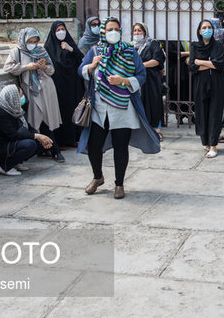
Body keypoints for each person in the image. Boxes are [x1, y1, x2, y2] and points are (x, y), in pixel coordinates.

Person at [77, 17, 160, 198]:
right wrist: (91, 66)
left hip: (123, 108)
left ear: (120, 31)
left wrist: (124, 80)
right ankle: (97, 177)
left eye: (116, 29)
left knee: (120, 146)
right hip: (99, 109)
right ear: (103, 32)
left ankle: (119, 184)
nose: (113, 32)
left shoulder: (130, 51)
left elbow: (141, 75)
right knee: (94, 145)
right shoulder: (95, 51)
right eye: (109, 29)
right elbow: (80, 70)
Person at [4, 28, 64, 163]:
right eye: (29, 41)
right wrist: (26, 67)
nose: (32, 44)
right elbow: (8, 68)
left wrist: (44, 67)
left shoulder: (41, 50)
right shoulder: (17, 52)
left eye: (35, 41)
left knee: (48, 118)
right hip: (30, 88)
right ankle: (45, 148)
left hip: (46, 87)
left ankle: (54, 149)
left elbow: (51, 70)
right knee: (35, 119)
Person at [0, 85, 55, 175]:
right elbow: (12, 135)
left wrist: (42, 137)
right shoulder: (1, 114)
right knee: (30, 144)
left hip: (12, 144)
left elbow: (28, 128)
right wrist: (36, 136)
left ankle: (16, 162)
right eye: (21, 95)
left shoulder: (17, 111)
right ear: (13, 98)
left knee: (40, 142)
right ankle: (4, 166)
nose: (23, 98)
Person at [44, 21, 86, 149]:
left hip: (73, 85)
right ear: (53, 32)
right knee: (60, 113)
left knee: (73, 111)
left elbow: (81, 60)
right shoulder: (49, 47)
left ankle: (73, 139)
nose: (61, 32)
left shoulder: (70, 43)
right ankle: (61, 141)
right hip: (58, 86)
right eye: (58, 30)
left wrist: (71, 49)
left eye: (63, 29)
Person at [189, 19, 224, 158]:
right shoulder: (194, 46)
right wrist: (210, 63)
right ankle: (205, 141)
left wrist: (200, 62)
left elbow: (220, 64)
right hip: (200, 84)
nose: (207, 30)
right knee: (202, 113)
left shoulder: (217, 45)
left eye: (209, 27)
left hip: (216, 83)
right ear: (199, 31)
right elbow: (192, 66)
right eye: (204, 27)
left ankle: (213, 145)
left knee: (214, 113)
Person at [132, 22, 166, 140]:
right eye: (135, 30)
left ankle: (157, 130)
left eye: (139, 30)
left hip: (151, 79)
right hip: (136, 80)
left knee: (154, 104)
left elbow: (157, 60)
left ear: (145, 32)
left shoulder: (152, 43)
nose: (137, 33)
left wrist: (140, 65)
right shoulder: (130, 46)